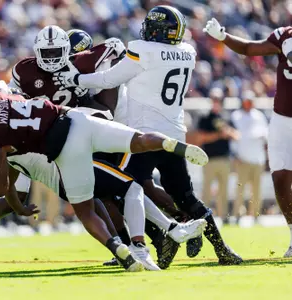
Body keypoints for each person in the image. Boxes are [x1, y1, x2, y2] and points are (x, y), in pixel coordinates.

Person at [53, 5, 243, 265]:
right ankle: (223, 249)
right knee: (185, 196)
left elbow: (109, 79)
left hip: (143, 137)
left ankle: (162, 239)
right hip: (175, 135)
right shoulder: (188, 52)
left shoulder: (144, 50)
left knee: (123, 189)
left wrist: (77, 80)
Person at [0, 89, 208, 272]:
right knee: (134, 155)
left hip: (64, 156)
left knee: (107, 199)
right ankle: (167, 148)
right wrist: (14, 202)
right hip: (74, 120)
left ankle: (130, 247)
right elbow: (10, 183)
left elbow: (0, 185)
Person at [0, 150, 206, 270]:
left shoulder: (50, 93)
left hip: (65, 160)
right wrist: (18, 206)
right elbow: (8, 189)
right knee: (123, 188)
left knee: (108, 195)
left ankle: (134, 244)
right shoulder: (13, 128)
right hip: (55, 163)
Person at [203, 19, 292, 257]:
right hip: (282, 119)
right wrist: (224, 37)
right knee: (280, 177)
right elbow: (250, 48)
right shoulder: (284, 35)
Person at [197, 88, 239, 221]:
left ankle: (224, 216)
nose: (216, 102)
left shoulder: (226, 117)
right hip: (209, 159)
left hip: (224, 159)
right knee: (207, 190)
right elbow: (201, 137)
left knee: (224, 190)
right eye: (214, 99)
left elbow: (236, 135)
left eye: (218, 100)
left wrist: (228, 132)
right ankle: (205, 217)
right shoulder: (205, 117)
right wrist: (218, 135)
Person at [231, 90, 268, 219]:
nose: (248, 103)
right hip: (243, 159)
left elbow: (266, 134)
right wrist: (235, 155)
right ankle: (237, 215)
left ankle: (256, 214)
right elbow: (233, 137)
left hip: (258, 159)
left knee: (256, 190)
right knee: (240, 190)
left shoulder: (259, 116)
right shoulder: (236, 116)